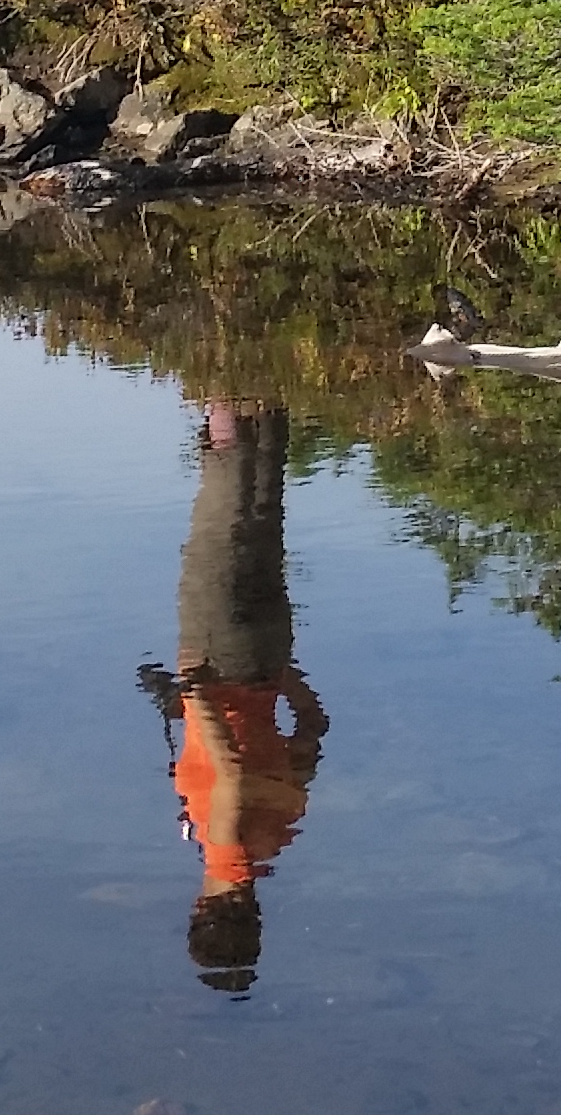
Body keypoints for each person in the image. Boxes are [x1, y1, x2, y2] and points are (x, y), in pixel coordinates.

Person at [144, 397, 323, 995]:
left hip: (268, 654)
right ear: (200, 912)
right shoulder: (227, 847)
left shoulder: (281, 836)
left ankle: (267, 389)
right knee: (221, 517)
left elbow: (313, 731)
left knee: (264, 508)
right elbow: (235, 779)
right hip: (218, 660)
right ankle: (222, 369)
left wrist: (285, 675)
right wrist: (196, 698)